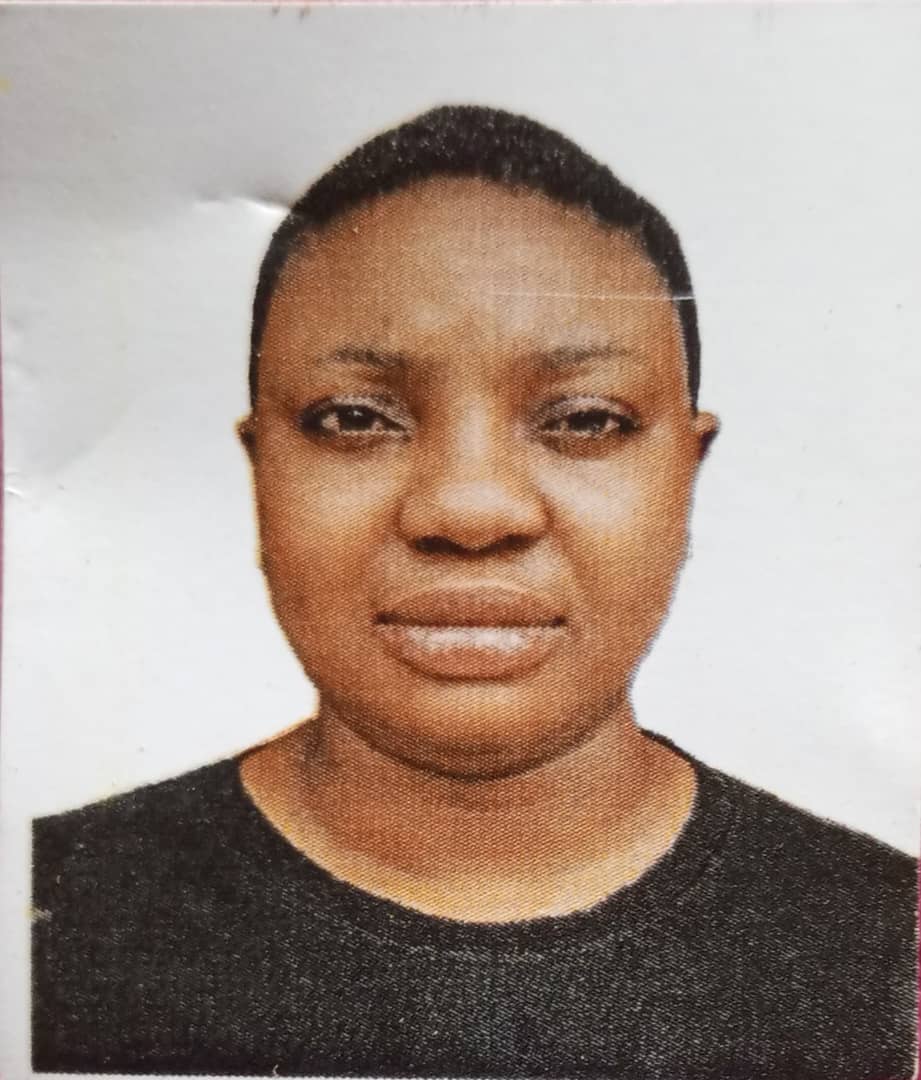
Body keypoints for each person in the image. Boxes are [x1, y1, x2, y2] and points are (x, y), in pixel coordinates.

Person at [32, 105, 917, 1078]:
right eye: (354, 418)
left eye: (585, 419)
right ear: (261, 467)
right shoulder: (47, 919)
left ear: (685, 470)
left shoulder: (888, 947)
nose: (469, 509)